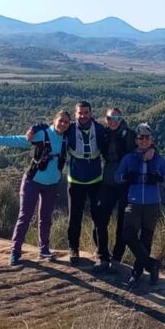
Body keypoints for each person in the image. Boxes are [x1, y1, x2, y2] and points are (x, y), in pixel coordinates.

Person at [0, 110, 71, 266]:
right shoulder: (43, 134)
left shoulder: (67, 137)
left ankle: (44, 249)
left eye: (66, 122)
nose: (63, 124)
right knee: (25, 216)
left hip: (52, 184)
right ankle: (15, 251)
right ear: (54, 121)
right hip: (33, 181)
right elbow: (19, 140)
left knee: (46, 218)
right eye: (61, 120)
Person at [29, 101, 107, 266]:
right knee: (74, 217)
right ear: (75, 114)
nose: (83, 116)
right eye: (80, 113)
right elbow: (52, 128)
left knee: (98, 217)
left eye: (86, 112)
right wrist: (35, 128)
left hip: (95, 179)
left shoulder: (100, 129)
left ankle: (100, 252)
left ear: (91, 113)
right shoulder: (69, 128)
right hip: (75, 180)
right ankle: (73, 249)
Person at [115, 123, 165, 288]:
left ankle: (137, 272)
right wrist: (127, 176)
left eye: (147, 138)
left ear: (151, 140)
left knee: (146, 239)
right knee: (127, 234)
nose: (144, 140)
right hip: (133, 202)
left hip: (152, 204)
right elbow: (117, 176)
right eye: (141, 137)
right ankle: (151, 264)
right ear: (136, 140)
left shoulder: (158, 159)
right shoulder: (129, 158)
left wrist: (159, 178)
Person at [96, 108, 136, 269]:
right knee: (100, 218)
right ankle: (102, 256)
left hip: (125, 183)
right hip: (107, 181)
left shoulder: (130, 134)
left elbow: (145, 145)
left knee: (122, 222)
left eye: (116, 118)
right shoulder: (103, 133)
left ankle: (117, 258)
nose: (113, 121)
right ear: (105, 119)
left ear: (121, 118)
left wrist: (153, 149)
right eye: (110, 118)